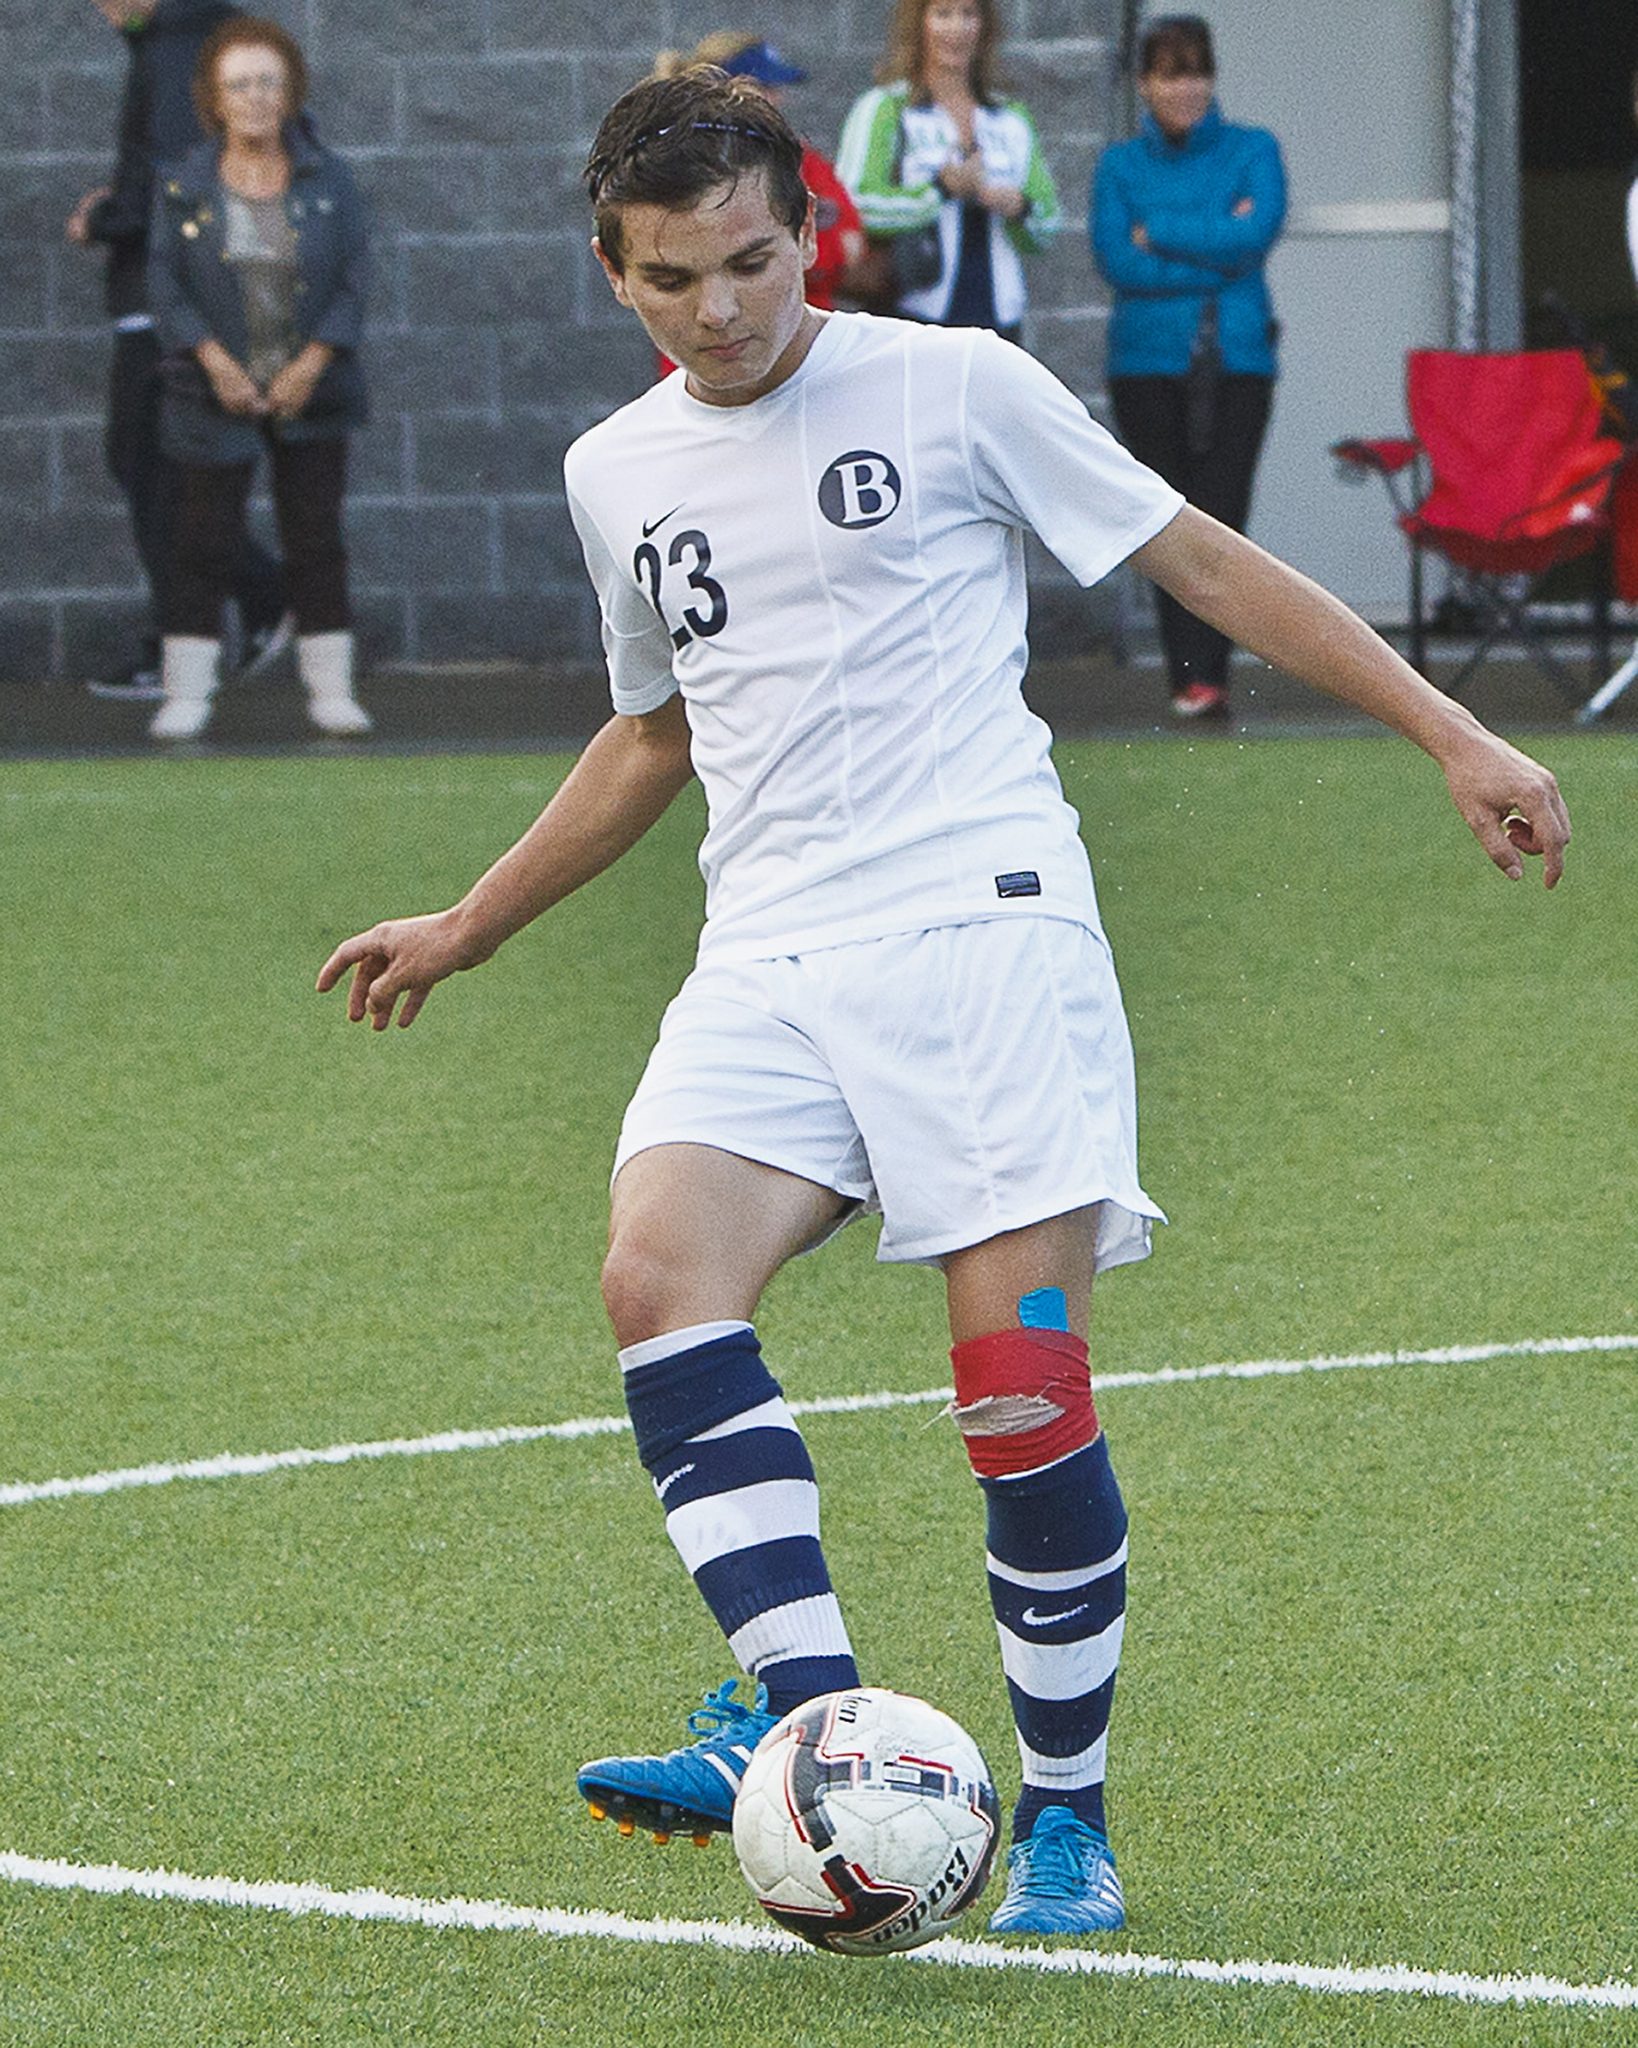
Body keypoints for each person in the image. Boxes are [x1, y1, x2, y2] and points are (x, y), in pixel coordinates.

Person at [316, 71, 1569, 1939]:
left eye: (749, 260)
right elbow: (654, 731)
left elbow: (1196, 560)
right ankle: (807, 1725)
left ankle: (1063, 1817)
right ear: (611, 270)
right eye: (673, 278)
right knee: (659, 1279)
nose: (721, 309)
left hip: (984, 931)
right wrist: (474, 921)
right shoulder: (613, 469)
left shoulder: (954, 383)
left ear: (805, 228)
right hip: (766, 951)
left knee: (1017, 1387)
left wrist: (1451, 729)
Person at [145, 15, 372, 741]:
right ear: (214, 98)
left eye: (267, 82)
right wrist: (213, 362)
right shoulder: (184, 185)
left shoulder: (329, 177)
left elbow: (356, 278)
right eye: (238, 85)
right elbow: (163, 284)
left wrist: (312, 363)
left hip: (311, 393)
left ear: (290, 89)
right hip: (215, 396)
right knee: (200, 542)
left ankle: (330, 692)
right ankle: (187, 695)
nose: (254, 98)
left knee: (316, 538)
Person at [66, 0, 288, 703]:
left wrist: (104, 218)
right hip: (199, 293)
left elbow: (169, 183)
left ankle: (217, 622)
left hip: (166, 302)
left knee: (149, 466)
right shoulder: (203, 36)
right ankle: (231, 613)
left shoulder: (177, 47)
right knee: (161, 467)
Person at [1091, 14, 1285, 719]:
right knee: (1168, 516)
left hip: (1237, 361)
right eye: (1171, 73)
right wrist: (1216, 252)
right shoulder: (1119, 165)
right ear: (1144, 84)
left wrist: (1162, 233)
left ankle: (1214, 675)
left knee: (1226, 513)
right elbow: (1117, 259)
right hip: (1145, 364)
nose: (1187, 88)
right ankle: (1187, 680)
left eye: (1197, 71)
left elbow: (1255, 235)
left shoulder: (1254, 148)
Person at [836, 0, 1059, 340]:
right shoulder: (886, 107)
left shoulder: (1011, 116)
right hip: (912, 313)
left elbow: (1048, 223)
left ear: (985, 25)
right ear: (919, 23)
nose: (957, 29)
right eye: (943, 14)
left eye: (969, 14)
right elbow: (854, 204)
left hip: (999, 316)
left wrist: (1017, 206)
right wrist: (938, 190)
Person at [651, 36, 868, 316]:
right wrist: (816, 251)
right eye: (762, 87)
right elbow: (723, 255)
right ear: (721, 90)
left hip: (803, 331)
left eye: (775, 88)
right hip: (712, 329)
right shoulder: (682, 162)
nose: (777, 98)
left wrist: (812, 256)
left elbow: (851, 242)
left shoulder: (801, 158)